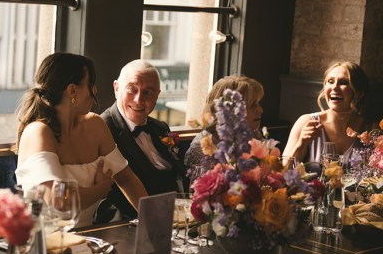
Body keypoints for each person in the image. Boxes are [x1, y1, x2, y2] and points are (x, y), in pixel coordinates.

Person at [15, 52, 148, 228]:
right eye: (91, 84)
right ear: (72, 91)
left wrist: (155, 219)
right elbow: (59, 201)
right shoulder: (38, 132)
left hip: (89, 241)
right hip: (44, 244)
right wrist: (100, 190)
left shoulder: (95, 124)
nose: (95, 91)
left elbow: (127, 179)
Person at [99, 60, 186, 221]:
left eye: (148, 92)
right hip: (128, 224)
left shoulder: (161, 128)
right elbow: (105, 202)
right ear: (117, 88)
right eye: (132, 89)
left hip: (176, 220)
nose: (139, 100)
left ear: (157, 96)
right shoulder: (102, 129)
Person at [282, 61, 375, 165]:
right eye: (330, 81)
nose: (334, 87)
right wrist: (301, 143)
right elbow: (284, 171)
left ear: (359, 93)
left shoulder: (371, 130)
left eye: (343, 82)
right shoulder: (305, 122)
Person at [185, 75, 264, 182]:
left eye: (258, 104)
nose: (260, 110)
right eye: (253, 105)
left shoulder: (254, 135)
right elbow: (202, 193)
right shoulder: (203, 146)